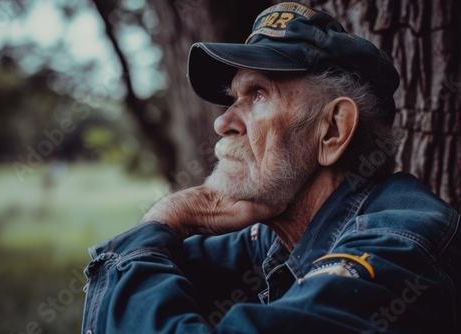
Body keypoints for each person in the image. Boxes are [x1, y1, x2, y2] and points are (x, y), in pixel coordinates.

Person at [81, 2, 461, 333]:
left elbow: (130, 291)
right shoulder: (284, 226)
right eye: (234, 98)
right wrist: (173, 224)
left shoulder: (397, 250)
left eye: (258, 95)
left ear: (332, 130)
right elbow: (149, 275)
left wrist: (168, 215)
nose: (223, 122)